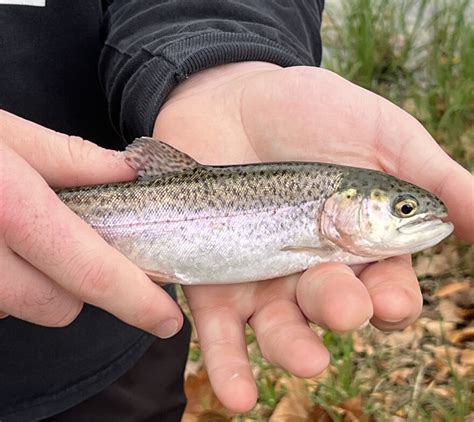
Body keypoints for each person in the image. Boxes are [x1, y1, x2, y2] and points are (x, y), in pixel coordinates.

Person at [0, 1, 472, 420]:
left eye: (403, 208)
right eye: (404, 208)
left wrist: (226, 58)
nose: (413, 217)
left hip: (110, 341)